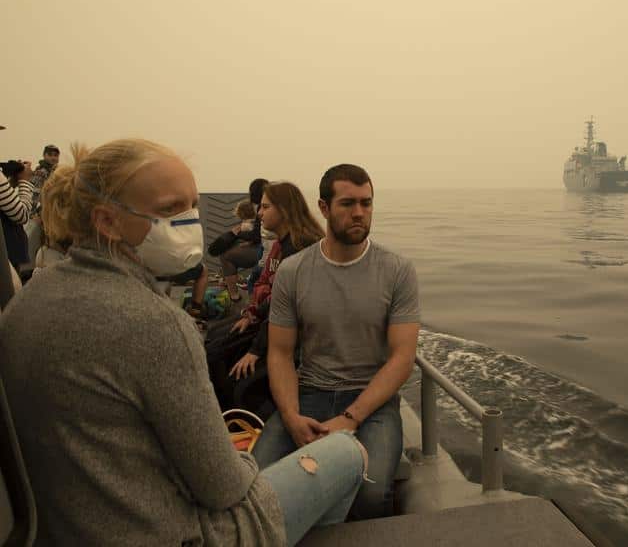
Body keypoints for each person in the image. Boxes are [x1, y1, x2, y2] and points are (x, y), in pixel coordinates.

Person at [0, 140, 366, 547]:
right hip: (171, 532)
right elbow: (223, 489)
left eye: (192, 206)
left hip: (74, 523)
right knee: (346, 452)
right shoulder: (154, 322)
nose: (191, 221)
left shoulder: (30, 297)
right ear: (106, 221)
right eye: (171, 209)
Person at [253, 164, 421, 520]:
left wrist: (351, 417)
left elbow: (402, 358)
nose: (359, 212)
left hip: (372, 403)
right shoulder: (294, 271)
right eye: (348, 203)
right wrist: (291, 416)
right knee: (256, 485)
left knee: (371, 494)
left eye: (366, 203)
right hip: (309, 393)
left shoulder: (397, 271)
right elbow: (280, 354)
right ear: (324, 208)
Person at [206, 181, 324, 409]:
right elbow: (277, 298)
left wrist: (255, 350)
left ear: (284, 209)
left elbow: (285, 306)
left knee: (223, 364)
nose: (259, 213)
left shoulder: (299, 247)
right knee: (216, 337)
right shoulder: (285, 243)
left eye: (265, 207)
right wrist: (250, 315)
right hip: (275, 322)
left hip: (296, 337)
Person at [219, 178, 268, 301]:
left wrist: (237, 234)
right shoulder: (271, 206)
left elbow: (257, 236)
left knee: (225, 255)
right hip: (265, 247)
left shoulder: (260, 209)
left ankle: (234, 295)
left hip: (264, 250)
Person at [0, 160, 34, 271]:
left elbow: (5, 203)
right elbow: (21, 215)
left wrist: (9, 184)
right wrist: (25, 181)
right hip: (6, 258)